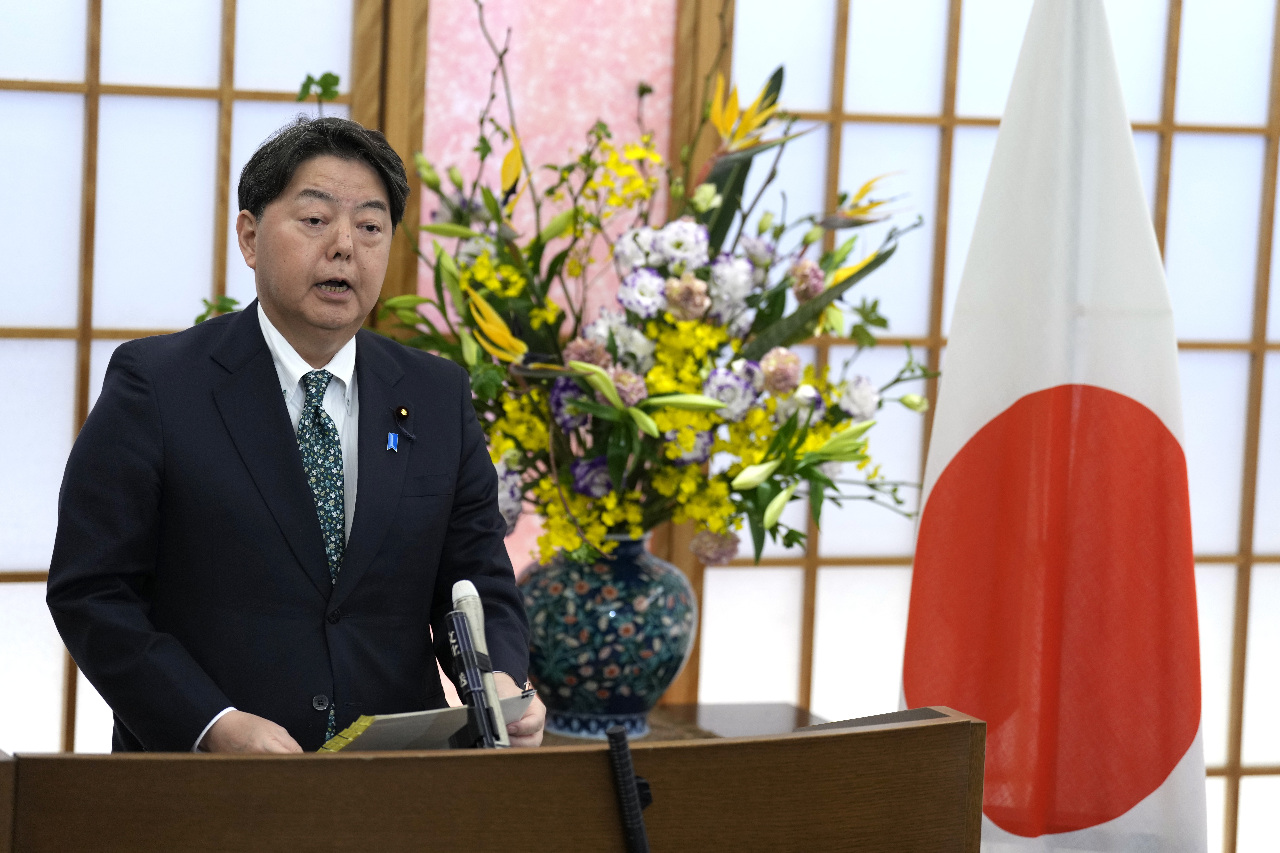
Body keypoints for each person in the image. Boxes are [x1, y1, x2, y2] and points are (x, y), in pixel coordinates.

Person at [46, 116, 545, 753]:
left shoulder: (435, 395)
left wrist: (498, 679)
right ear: (250, 237)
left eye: (370, 227)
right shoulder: (158, 385)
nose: (344, 247)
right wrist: (210, 724)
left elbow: (476, 578)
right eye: (315, 220)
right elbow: (92, 590)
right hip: (210, 780)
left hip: (395, 777)